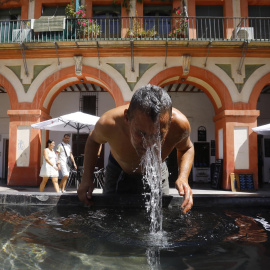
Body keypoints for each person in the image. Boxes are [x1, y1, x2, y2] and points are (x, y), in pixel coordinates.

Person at [78, 85, 194, 214]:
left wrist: (183, 177)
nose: (149, 144)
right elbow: (93, 140)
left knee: (163, 214)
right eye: (141, 134)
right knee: (110, 217)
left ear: (170, 122)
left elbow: (187, 148)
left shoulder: (180, 126)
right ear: (127, 118)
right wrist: (87, 178)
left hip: (157, 170)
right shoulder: (109, 123)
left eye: (158, 135)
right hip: (118, 170)